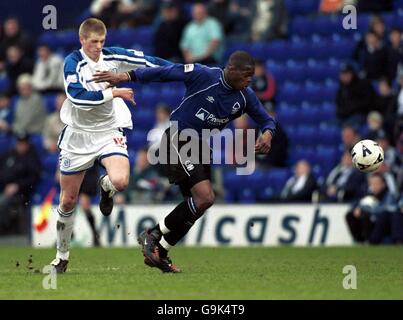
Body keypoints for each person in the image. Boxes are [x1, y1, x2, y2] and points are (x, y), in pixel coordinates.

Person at [94, 50, 276, 273]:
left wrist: (267, 133)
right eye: (247, 75)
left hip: (200, 148)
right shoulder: (203, 75)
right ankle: (152, 235)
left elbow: (266, 119)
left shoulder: (245, 96)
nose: (250, 80)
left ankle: (160, 252)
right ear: (232, 70)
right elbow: (165, 72)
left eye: (252, 76)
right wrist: (126, 76)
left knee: (195, 205)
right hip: (178, 139)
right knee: (205, 197)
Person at [49, 18, 171, 273]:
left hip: (107, 131)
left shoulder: (113, 56)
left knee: (121, 181)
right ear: (82, 40)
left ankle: (105, 187)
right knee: (69, 200)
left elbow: (149, 62)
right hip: (79, 135)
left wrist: (185, 70)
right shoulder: (73, 63)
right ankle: (61, 257)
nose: (98, 46)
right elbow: (77, 97)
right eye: (93, 42)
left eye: (101, 41)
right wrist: (114, 92)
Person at [0, 132, 41, 235]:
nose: (21, 146)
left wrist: (18, 186)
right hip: (4, 189)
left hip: (23, 193)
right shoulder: (8, 155)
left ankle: (6, 233)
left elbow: (34, 178)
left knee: (3, 203)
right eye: (19, 143)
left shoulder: (32, 158)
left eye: (23, 144)